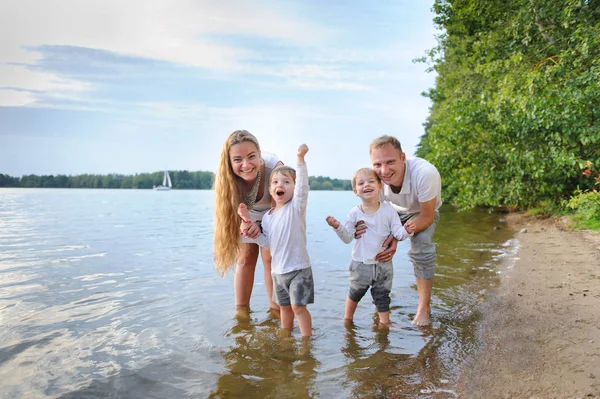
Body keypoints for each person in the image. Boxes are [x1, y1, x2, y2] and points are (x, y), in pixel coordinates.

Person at [360, 135, 442, 326]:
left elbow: (427, 217)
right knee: (375, 245)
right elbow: (376, 214)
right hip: (394, 212)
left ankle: (423, 308)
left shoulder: (425, 174)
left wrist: (397, 237)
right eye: (378, 164)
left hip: (422, 212)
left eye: (390, 162)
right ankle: (380, 301)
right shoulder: (374, 179)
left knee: (421, 247)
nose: (384, 170)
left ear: (403, 157)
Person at [237, 144, 313, 337]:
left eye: (286, 182)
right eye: (276, 182)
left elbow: (303, 185)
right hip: (278, 274)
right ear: (270, 190)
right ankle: (285, 338)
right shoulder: (268, 217)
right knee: (284, 309)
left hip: (298, 270)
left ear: (294, 189)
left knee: (298, 308)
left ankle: (306, 342)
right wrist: (250, 227)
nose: (280, 185)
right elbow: (266, 242)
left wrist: (300, 159)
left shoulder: (296, 209)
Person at [325, 168, 413, 328]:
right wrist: (337, 227)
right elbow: (347, 238)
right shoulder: (354, 214)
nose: (366, 185)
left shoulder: (389, 209)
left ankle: (384, 325)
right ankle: (347, 320)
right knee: (355, 293)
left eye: (371, 181)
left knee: (382, 296)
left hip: (383, 265)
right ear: (355, 191)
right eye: (361, 183)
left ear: (380, 186)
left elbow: (398, 233)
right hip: (361, 264)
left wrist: (407, 230)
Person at [213, 130, 282, 318]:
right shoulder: (228, 179)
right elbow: (232, 213)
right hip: (247, 212)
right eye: (237, 159)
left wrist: (262, 228)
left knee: (269, 258)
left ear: (259, 153)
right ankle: (242, 314)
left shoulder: (274, 168)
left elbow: (283, 211)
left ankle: (275, 311)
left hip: (274, 211)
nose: (246, 165)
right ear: (229, 162)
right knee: (245, 258)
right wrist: (246, 224)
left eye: (251, 156)